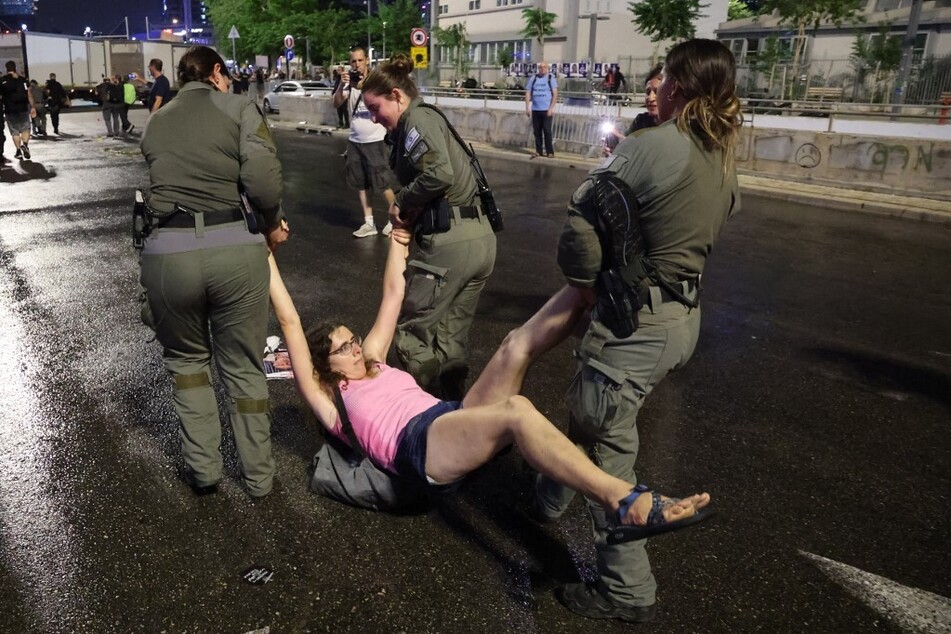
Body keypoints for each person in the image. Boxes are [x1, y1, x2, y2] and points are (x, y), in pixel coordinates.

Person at [267, 228, 712, 553]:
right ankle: (624, 501)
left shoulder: (375, 359)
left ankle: (590, 281)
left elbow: (392, 294)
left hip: (447, 418)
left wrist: (399, 235)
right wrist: (262, 252)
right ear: (326, 367)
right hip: (419, 448)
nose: (356, 346)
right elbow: (289, 321)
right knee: (516, 411)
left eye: (353, 338)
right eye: (344, 348)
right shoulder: (330, 401)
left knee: (514, 346)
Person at [533, 39, 742, 623]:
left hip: (634, 325)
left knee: (608, 448)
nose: (659, 88)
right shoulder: (718, 150)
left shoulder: (657, 144)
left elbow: (581, 220)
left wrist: (586, 283)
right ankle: (550, 495)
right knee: (591, 409)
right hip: (680, 318)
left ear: (678, 84)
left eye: (667, 79)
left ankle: (626, 590)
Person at [139, 45, 290, 498]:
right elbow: (263, 179)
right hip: (233, 251)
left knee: (187, 365)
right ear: (218, 74)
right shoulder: (239, 106)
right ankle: (259, 477)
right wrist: (271, 223)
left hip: (167, 254)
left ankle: (204, 472)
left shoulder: (157, 121)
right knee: (243, 367)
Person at [361, 55, 497, 401]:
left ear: (396, 95)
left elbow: (440, 174)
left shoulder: (417, 119)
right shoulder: (425, 118)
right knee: (451, 338)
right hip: (477, 240)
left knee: (412, 336)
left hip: (450, 243)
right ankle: (453, 414)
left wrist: (401, 202)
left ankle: (417, 419)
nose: (375, 119)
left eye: (376, 108)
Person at [332, 46, 397, 238]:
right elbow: (336, 103)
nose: (357, 65)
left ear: (366, 61)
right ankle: (369, 223)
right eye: (353, 61)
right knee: (360, 183)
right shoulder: (347, 82)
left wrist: (363, 85)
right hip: (355, 140)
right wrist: (341, 86)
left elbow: (384, 102)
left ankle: (395, 219)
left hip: (375, 140)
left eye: (360, 61)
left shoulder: (375, 81)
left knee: (382, 183)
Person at [603, 63, 662, 154]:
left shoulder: (680, 128)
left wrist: (629, 146)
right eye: (648, 92)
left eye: (657, 92)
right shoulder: (641, 121)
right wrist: (615, 153)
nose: (650, 98)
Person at [0, 60, 36, 160]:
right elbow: (29, 95)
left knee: (15, 132)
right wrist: (32, 107)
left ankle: (18, 151)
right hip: (23, 108)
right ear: (15, 68)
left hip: (10, 110)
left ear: (6, 69)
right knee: (25, 128)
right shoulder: (23, 80)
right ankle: (25, 144)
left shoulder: (2, 81)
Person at [524, 61, 558, 158]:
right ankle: (538, 151)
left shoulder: (551, 78)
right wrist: (527, 107)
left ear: (547, 68)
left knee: (547, 131)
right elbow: (528, 92)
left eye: (544, 67)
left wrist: (551, 108)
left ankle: (550, 152)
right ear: (538, 68)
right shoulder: (533, 78)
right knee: (537, 131)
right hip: (536, 109)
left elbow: (555, 94)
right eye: (540, 67)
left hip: (546, 109)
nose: (542, 69)